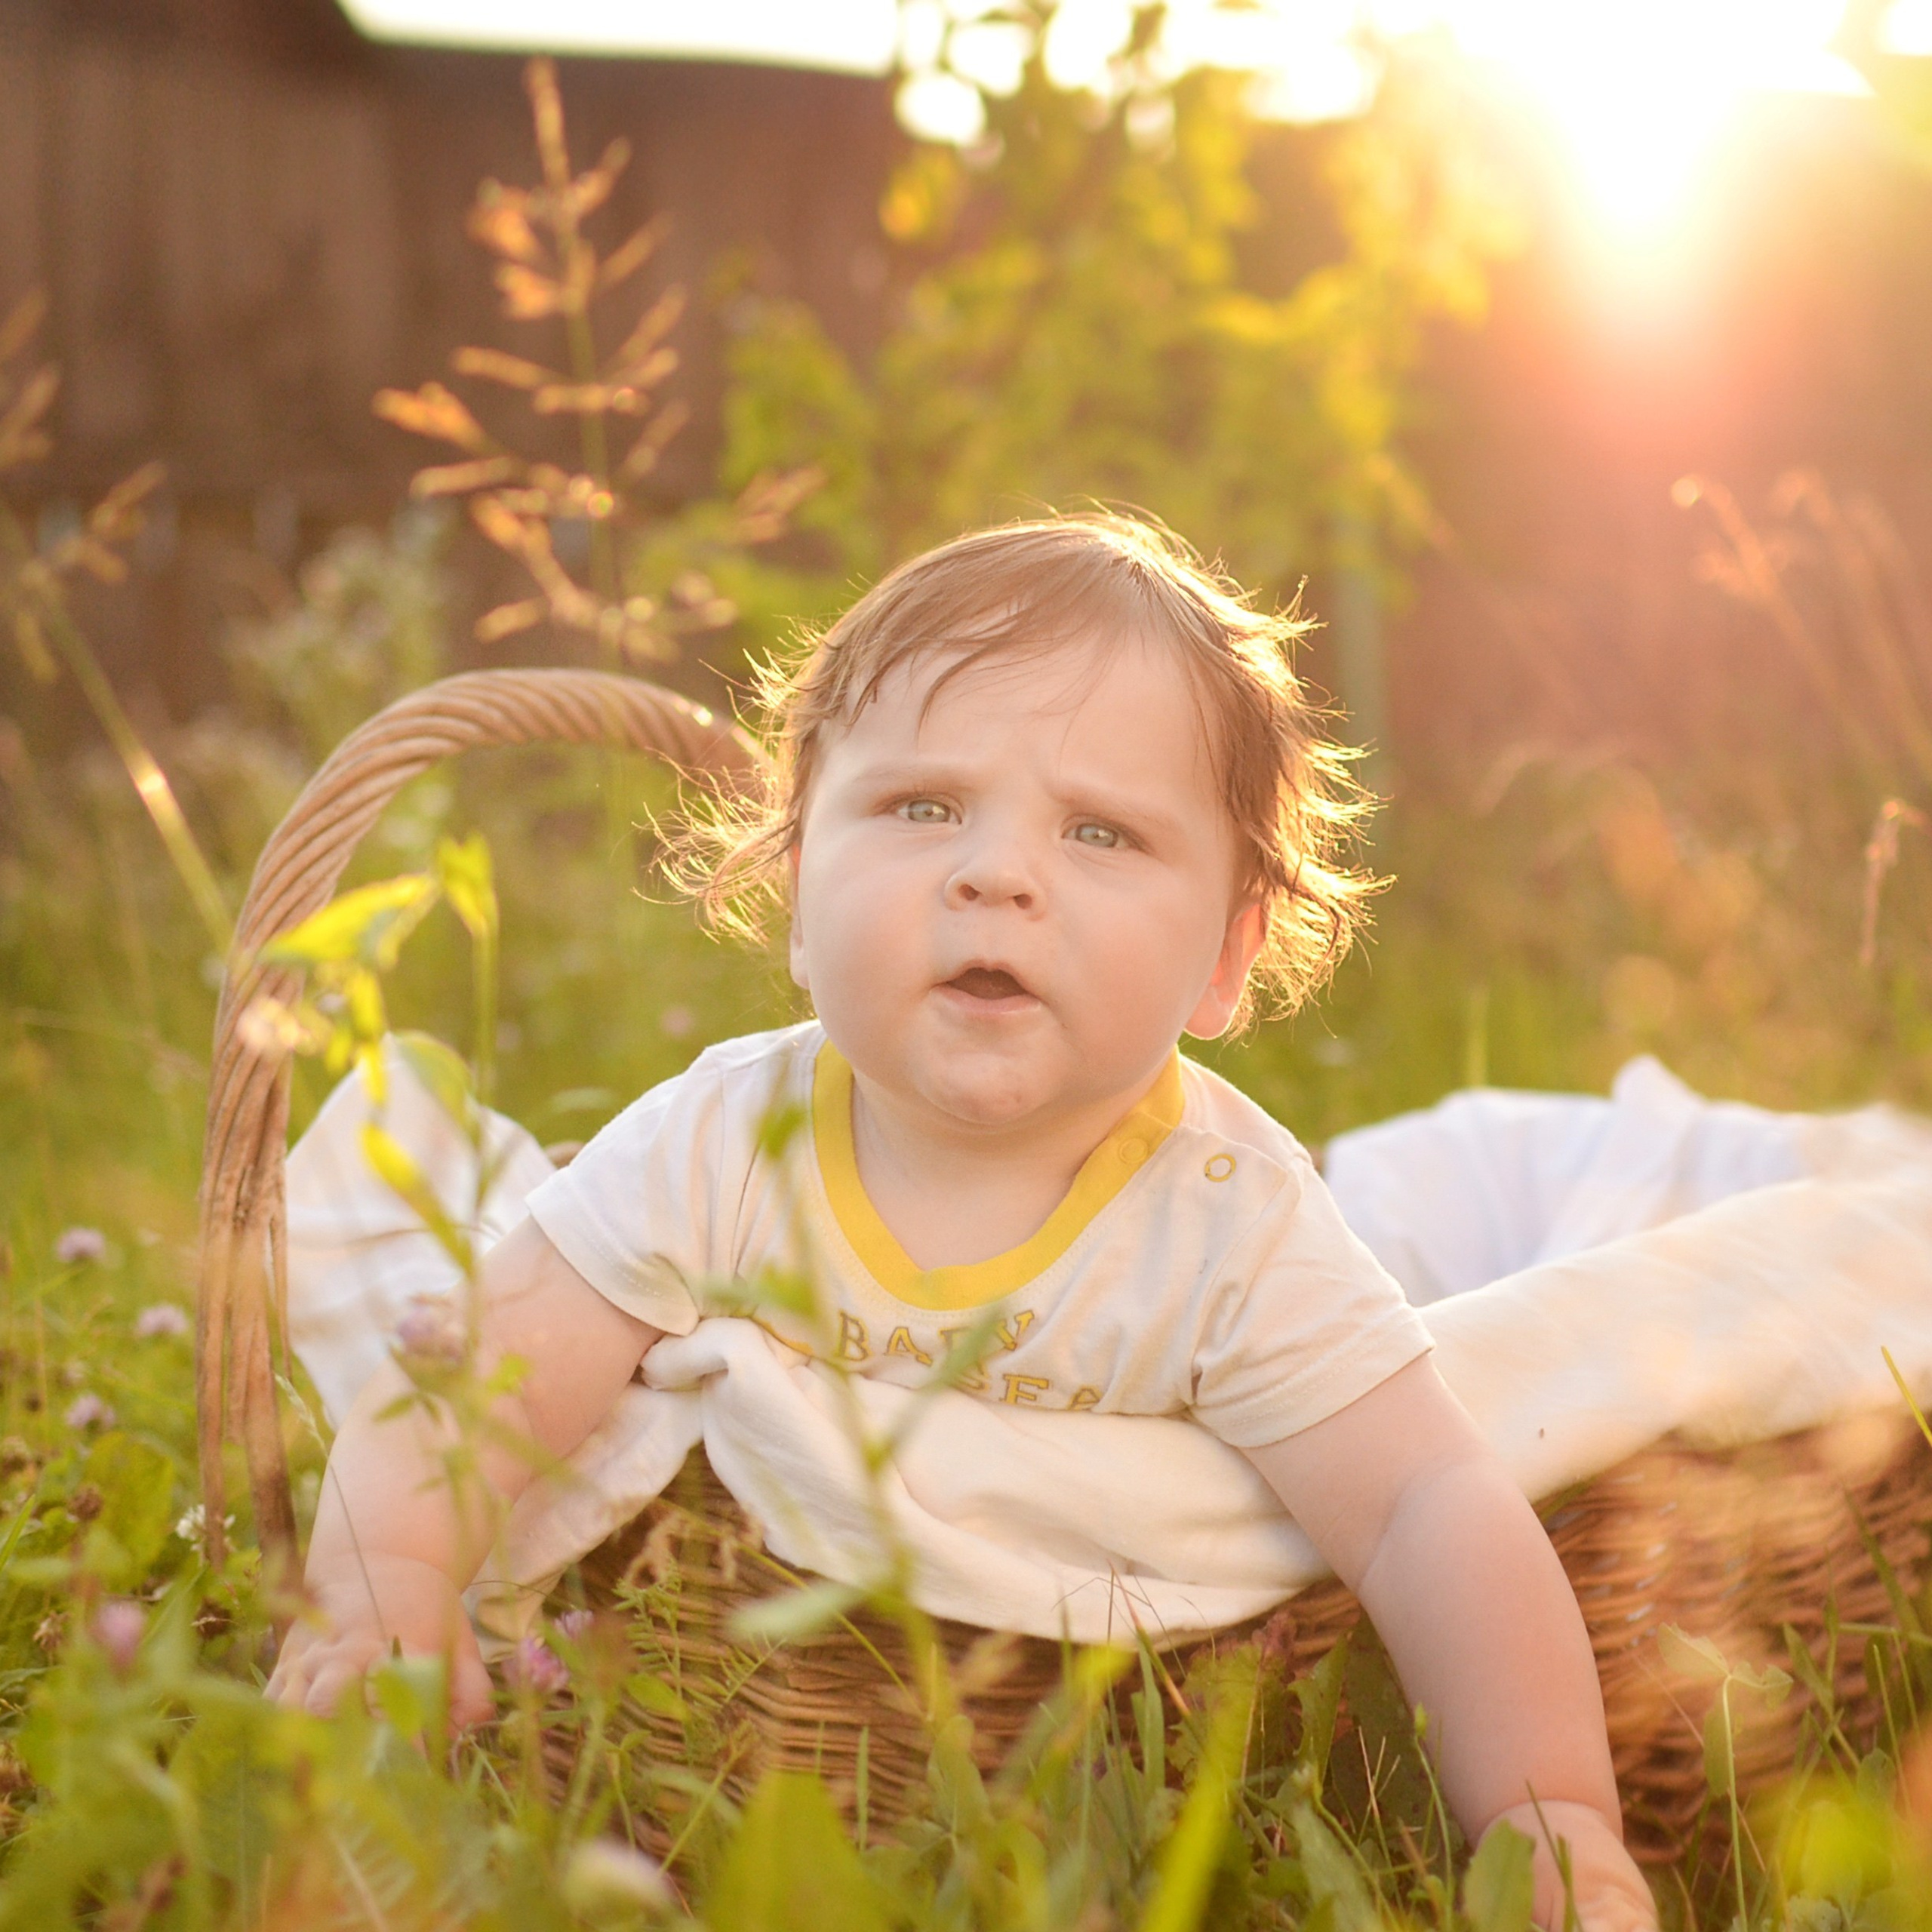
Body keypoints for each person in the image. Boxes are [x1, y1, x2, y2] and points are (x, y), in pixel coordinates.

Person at [268, 514, 1657, 1931]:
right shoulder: (721, 1144)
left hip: (1114, 1808)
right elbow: (479, 1376)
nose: (996, 873)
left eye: (1100, 831)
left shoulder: (1228, 1223)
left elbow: (1429, 1507)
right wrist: (386, 1591)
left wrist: (1549, 1811)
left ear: (1226, 960)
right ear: (798, 895)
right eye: (923, 807)